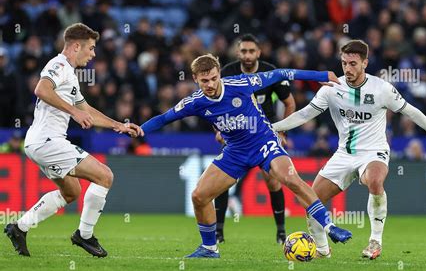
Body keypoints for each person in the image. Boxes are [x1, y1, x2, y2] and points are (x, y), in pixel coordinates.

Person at [141, 54, 352, 258]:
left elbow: (279, 74)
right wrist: (140, 130)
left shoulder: (240, 83)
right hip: (235, 151)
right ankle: (209, 248)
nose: (211, 84)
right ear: (195, 79)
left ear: (219, 74)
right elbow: (164, 118)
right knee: (199, 196)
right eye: (204, 81)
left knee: (290, 179)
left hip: (264, 142)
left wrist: (321, 76)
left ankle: (330, 226)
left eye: (214, 78)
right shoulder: (194, 102)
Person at [273, 40, 426, 259]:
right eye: (344, 63)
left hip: (374, 151)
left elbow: (411, 112)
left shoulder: (382, 89)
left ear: (365, 63)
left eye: (353, 63)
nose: (347, 68)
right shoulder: (332, 89)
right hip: (344, 153)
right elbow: (304, 115)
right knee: (310, 199)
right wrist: (272, 128)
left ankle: (375, 241)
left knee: (374, 180)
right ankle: (322, 249)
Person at [4, 23, 143, 258]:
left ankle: (19, 227)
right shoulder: (58, 65)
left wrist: (118, 125)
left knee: (71, 192)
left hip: (40, 143)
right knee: (104, 175)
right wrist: (74, 112)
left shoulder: (70, 73)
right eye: (91, 48)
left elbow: (86, 109)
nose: (94, 53)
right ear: (76, 46)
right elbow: (41, 89)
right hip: (47, 141)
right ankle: (84, 235)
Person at [215, 34, 296, 244]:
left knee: (273, 181)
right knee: (223, 182)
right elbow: (215, 104)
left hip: (265, 131)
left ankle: (280, 232)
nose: (248, 55)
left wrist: (282, 131)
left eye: (251, 51)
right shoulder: (227, 73)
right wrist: (219, 129)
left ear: (258, 52)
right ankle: (219, 232)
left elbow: (290, 103)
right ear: (237, 52)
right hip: (238, 132)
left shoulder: (270, 72)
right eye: (243, 51)